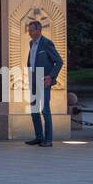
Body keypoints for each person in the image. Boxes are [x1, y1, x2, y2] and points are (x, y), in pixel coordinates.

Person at [25, 19, 64, 147]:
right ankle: (38, 137)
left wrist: (50, 76)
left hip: (44, 81)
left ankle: (48, 140)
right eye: (29, 30)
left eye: (31, 30)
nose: (29, 32)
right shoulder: (32, 43)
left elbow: (59, 62)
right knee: (34, 110)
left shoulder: (47, 43)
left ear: (38, 30)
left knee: (45, 110)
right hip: (33, 80)